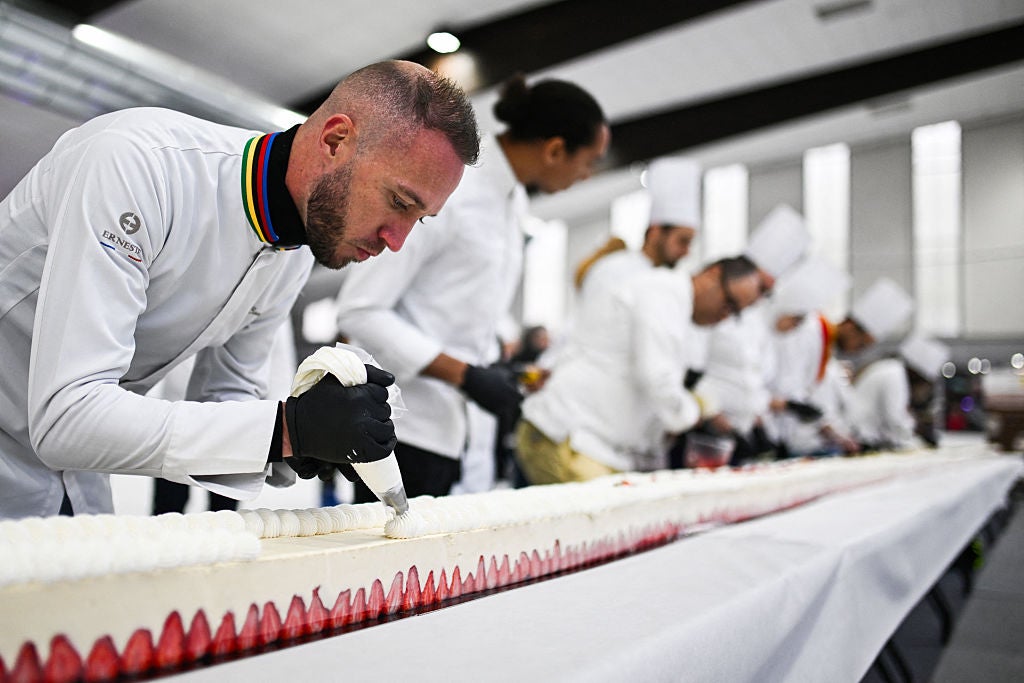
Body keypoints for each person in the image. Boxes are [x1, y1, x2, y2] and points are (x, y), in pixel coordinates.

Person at [0, 60, 480, 519]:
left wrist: (310, 439)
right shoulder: (138, 165)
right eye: (398, 202)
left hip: (72, 480)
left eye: (419, 219)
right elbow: (67, 414)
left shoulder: (294, 246)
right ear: (336, 140)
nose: (397, 241)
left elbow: (228, 395)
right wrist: (288, 429)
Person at [335, 74, 609, 500]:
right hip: (405, 430)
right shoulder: (451, 189)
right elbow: (360, 311)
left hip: (465, 434)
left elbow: (467, 305)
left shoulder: (513, 202)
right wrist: (464, 375)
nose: (588, 176)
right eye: (589, 161)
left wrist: (499, 365)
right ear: (556, 150)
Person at [516, 256, 763, 485]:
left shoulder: (676, 306)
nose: (724, 316)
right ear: (712, 274)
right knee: (600, 525)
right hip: (566, 434)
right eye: (729, 303)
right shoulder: (664, 293)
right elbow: (657, 379)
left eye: (735, 313)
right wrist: (693, 412)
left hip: (597, 447)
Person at [683, 205, 812, 466]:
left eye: (766, 292)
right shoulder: (712, 306)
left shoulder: (756, 321)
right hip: (705, 431)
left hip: (738, 432)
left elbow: (752, 380)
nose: (759, 298)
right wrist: (715, 417)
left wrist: (756, 420)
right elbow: (692, 370)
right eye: (760, 286)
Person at [767, 277, 914, 457]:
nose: (857, 352)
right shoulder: (811, 330)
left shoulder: (827, 349)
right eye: (860, 345)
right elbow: (789, 384)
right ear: (850, 326)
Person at [850, 334, 950, 450]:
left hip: (863, 435)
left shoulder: (891, 368)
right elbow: (895, 418)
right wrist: (916, 433)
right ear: (917, 372)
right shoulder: (895, 373)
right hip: (860, 437)